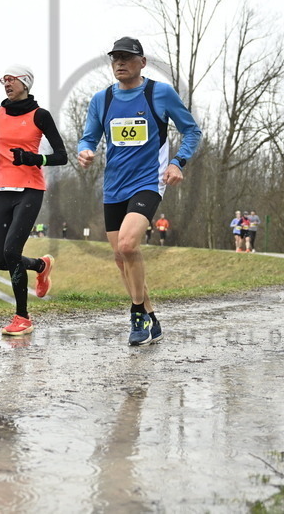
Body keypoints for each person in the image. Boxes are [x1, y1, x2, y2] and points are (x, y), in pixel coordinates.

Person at [77, 37, 202, 346]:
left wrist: (177, 162)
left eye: (127, 57)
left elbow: (191, 130)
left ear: (142, 62)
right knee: (121, 258)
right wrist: (85, 151)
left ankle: (136, 315)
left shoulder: (159, 93)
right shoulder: (101, 100)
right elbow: (88, 137)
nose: (120, 62)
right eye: (115, 58)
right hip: (113, 188)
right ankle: (152, 317)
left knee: (129, 245)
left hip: (148, 182)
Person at [0, 65, 67, 336]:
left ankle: (23, 317)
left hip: (30, 189)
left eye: (11, 80)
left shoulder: (40, 115)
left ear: (26, 83)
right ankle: (41, 265)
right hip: (3, 189)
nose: (6, 84)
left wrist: (34, 158)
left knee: (12, 252)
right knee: (1, 260)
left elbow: (61, 155)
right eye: (3, 80)